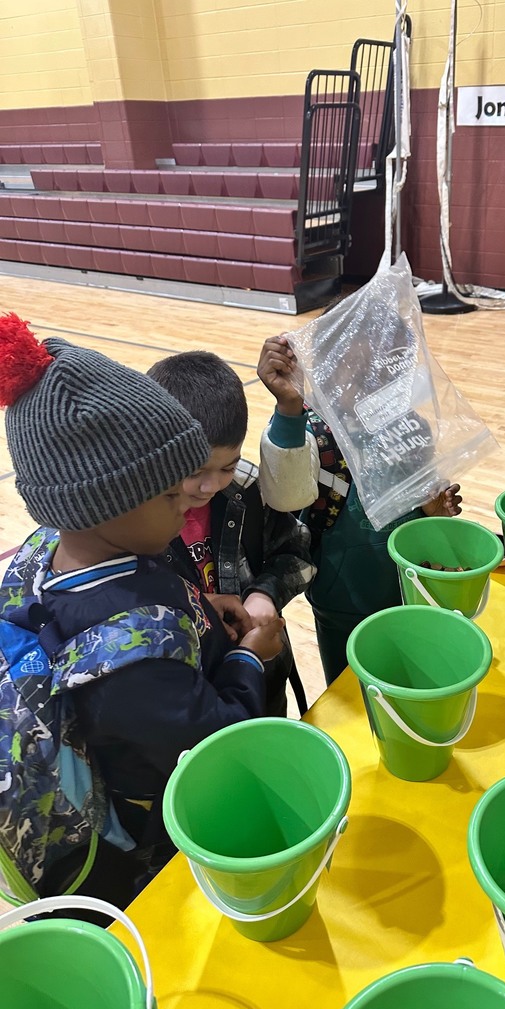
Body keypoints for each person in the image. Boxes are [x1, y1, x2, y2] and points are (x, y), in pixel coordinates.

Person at [0, 314, 283, 907]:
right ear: (103, 505)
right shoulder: (129, 658)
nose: (191, 502)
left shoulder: (51, 550)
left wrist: (198, 604)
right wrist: (250, 662)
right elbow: (216, 743)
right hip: (153, 841)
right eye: (171, 493)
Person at [257, 334, 462, 686]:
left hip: (409, 589)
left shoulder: (413, 427)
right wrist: (289, 408)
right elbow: (285, 495)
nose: (367, 381)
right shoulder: (309, 432)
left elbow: (421, 505)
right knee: (347, 691)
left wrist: (433, 513)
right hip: (341, 599)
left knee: (410, 678)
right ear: (321, 369)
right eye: (350, 368)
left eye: (381, 370)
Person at [147, 350, 315, 717]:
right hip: (191, 695)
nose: (209, 486)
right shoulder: (135, 520)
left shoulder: (246, 488)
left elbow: (296, 548)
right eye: (193, 471)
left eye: (227, 466)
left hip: (264, 676)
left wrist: (265, 595)